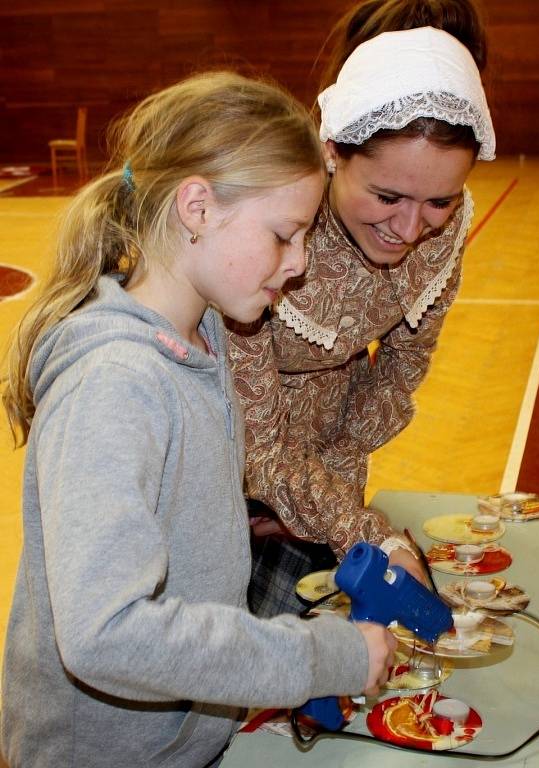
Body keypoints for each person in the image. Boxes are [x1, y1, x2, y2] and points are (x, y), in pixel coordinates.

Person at [0, 71, 396, 768]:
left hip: (186, 742)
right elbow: (105, 633)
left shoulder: (209, 334)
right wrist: (314, 658)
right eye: (284, 235)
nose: (298, 264)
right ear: (197, 207)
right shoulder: (115, 383)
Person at [226, 0, 496, 617]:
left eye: (440, 202)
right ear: (331, 153)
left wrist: (334, 495)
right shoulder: (274, 230)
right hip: (224, 461)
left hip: (318, 477)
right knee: (219, 664)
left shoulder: (438, 227)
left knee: (312, 646)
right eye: (387, 196)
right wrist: (357, 527)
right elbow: (253, 436)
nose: (409, 228)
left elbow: (400, 371)